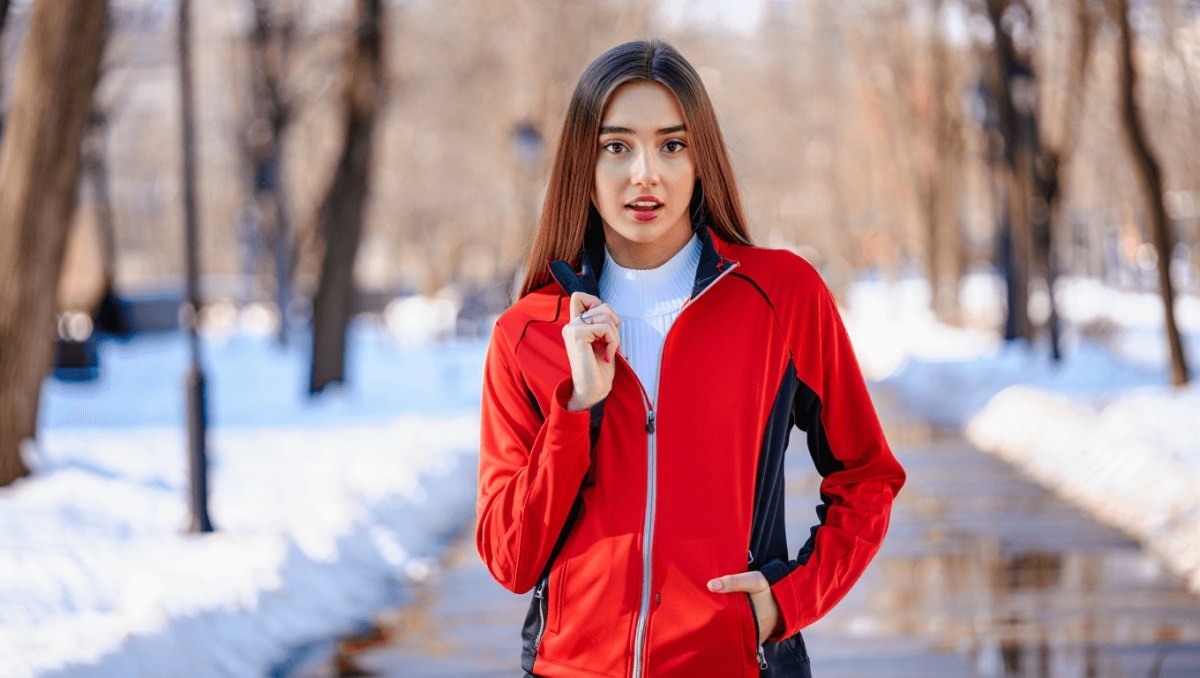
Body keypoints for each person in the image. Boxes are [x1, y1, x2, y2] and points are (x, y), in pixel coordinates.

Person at [476, 39, 905, 678]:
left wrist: (783, 604)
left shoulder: (781, 297)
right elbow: (511, 559)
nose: (644, 173)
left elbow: (866, 476)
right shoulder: (529, 332)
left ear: (700, 159)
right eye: (616, 146)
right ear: (581, 165)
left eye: (671, 145)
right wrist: (574, 413)